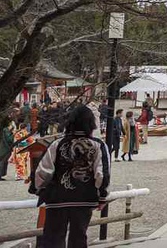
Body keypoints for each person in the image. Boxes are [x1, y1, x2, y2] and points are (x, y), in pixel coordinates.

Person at [35, 105, 110, 247]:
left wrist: (40, 190)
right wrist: (102, 196)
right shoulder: (98, 145)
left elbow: (43, 170)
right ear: (91, 124)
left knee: (53, 239)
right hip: (84, 199)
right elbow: (102, 173)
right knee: (79, 238)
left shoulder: (57, 144)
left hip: (57, 199)